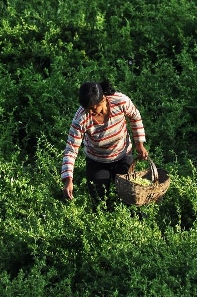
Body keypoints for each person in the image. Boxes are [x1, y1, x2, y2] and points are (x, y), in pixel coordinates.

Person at [61, 79, 148, 208]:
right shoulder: (80, 118)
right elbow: (71, 149)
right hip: (97, 161)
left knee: (130, 197)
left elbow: (135, 116)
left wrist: (139, 145)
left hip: (122, 154)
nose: (90, 112)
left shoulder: (120, 101)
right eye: (86, 109)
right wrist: (68, 180)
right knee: (99, 201)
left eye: (93, 108)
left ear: (102, 100)